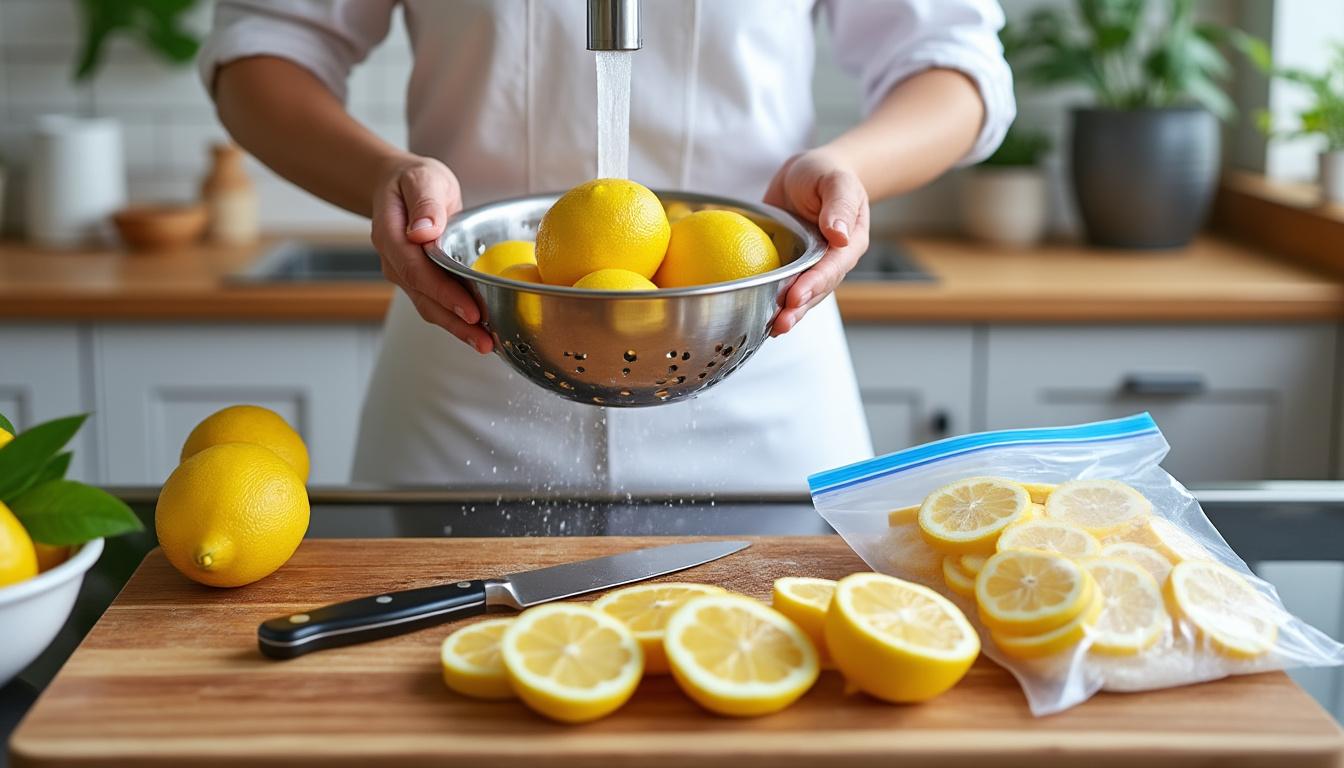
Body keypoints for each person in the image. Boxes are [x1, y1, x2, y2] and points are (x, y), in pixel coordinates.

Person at [200, 0, 1013, 493]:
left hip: (759, 379)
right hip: (470, 373)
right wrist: (386, 173)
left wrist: (847, 170)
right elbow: (264, 48)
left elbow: (955, 61)